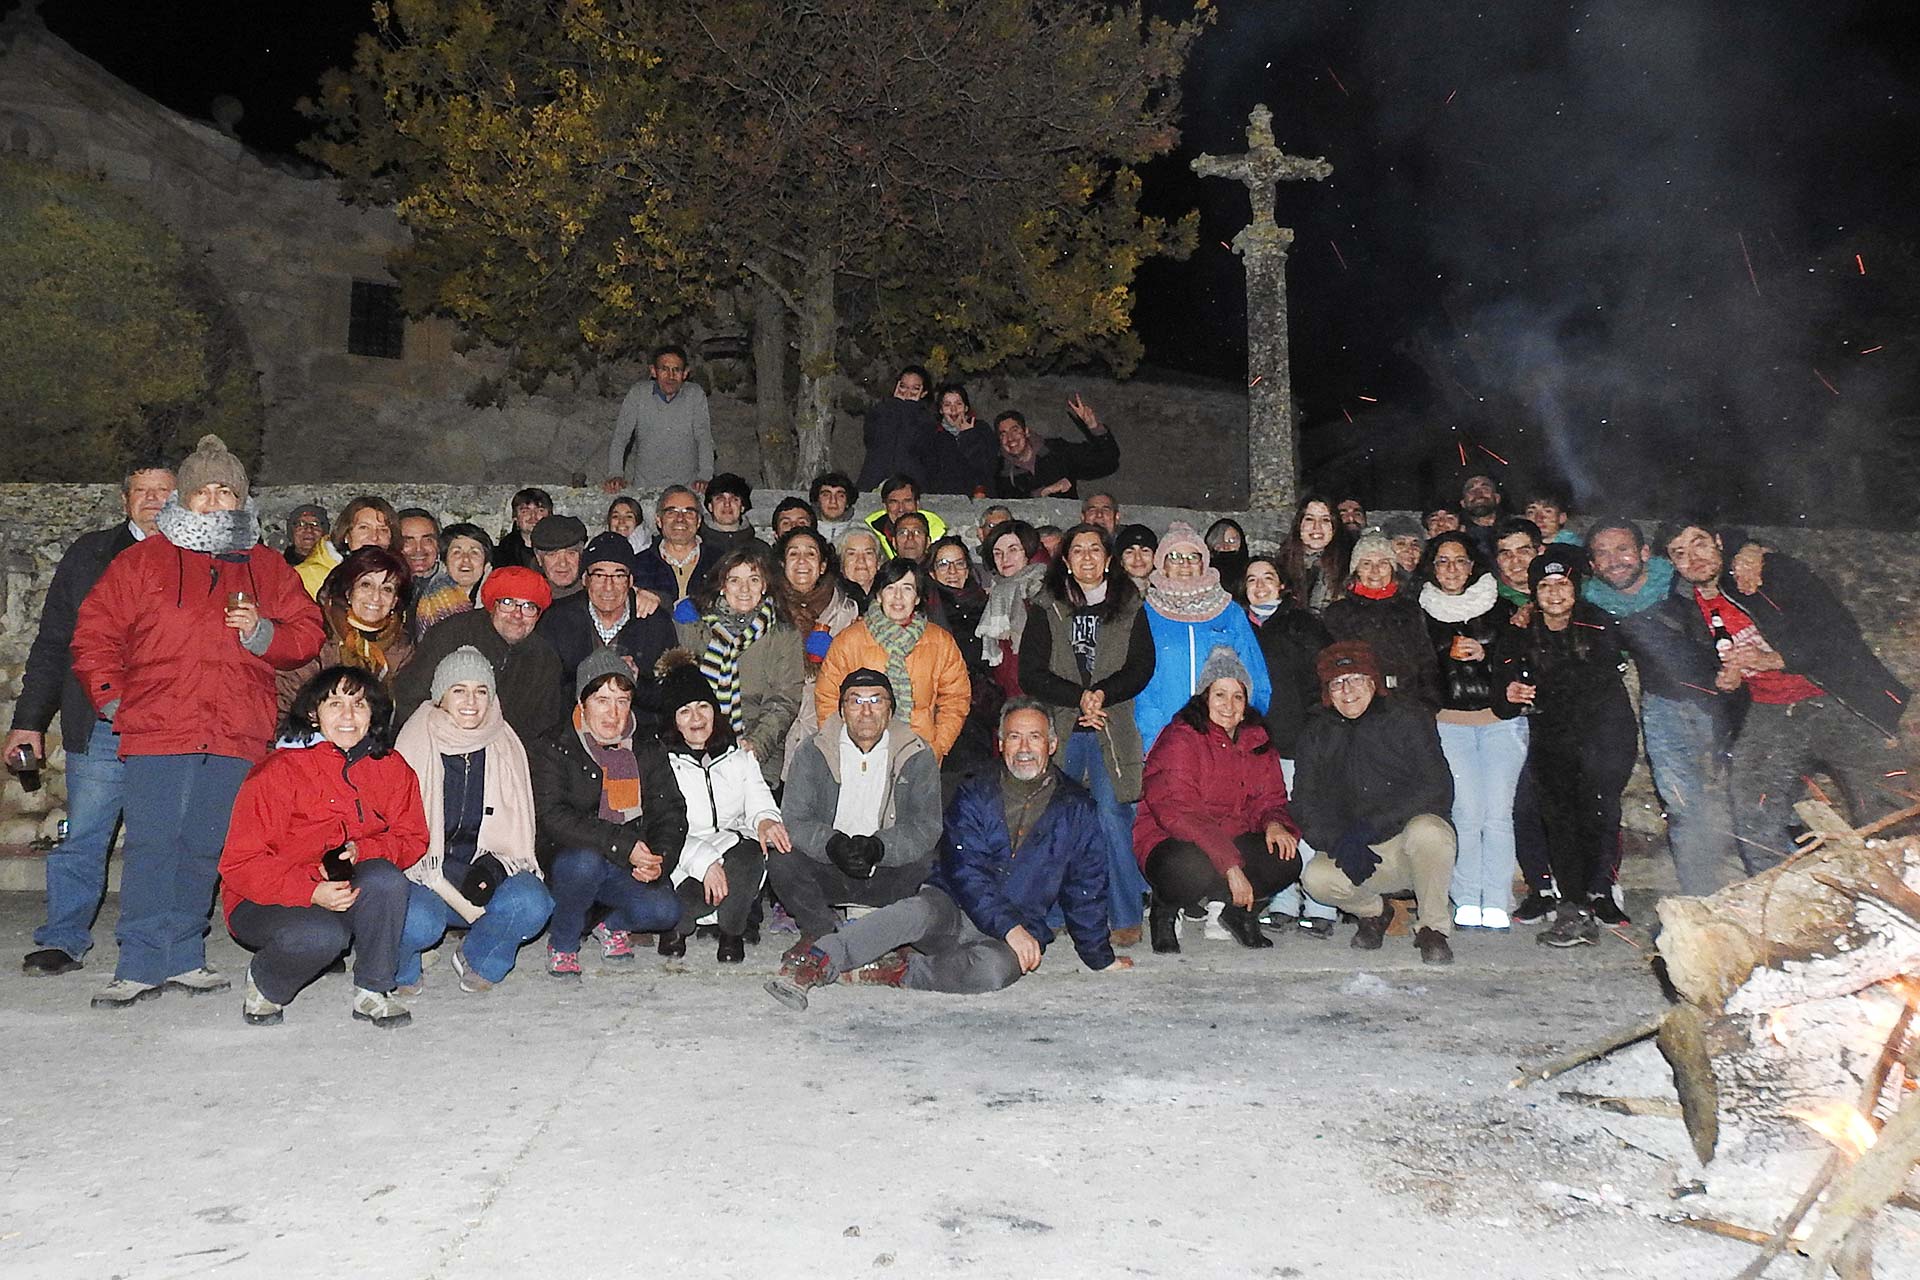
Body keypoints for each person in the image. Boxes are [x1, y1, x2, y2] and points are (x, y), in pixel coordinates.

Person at [71, 434, 325, 1008]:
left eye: (226, 491)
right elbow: (95, 634)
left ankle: (185, 953)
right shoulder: (143, 561)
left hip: (237, 727)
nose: (215, 502)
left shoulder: (266, 566)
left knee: (205, 845)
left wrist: (263, 632)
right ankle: (138, 961)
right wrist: (114, 700)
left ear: (242, 500)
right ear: (184, 499)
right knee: (153, 843)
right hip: (160, 726)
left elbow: (307, 635)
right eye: (203, 492)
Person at [767, 698, 1130, 1009]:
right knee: (914, 912)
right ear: (1000, 743)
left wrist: (1100, 957)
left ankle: (898, 970)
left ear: (1051, 744)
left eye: (1034, 737)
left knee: (994, 972)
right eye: (1014, 737)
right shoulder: (975, 791)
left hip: (1012, 930)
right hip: (955, 909)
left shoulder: (1077, 808)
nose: (1024, 748)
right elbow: (966, 872)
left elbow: (1086, 886)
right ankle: (818, 960)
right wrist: (1010, 926)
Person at [1661, 520, 1911, 877]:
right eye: (1679, 553)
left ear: (1718, 541)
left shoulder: (1767, 571)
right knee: (1753, 810)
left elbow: (1836, 630)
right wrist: (1726, 680)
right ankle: (1780, 896)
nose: (1693, 558)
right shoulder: (1688, 606)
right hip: (1771, 711)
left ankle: (1904, 888)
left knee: (1886, 805)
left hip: (1835, 699)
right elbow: (1709, 668)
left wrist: (1771, 659)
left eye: (1699, 543)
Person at [13, 456, 174, 977]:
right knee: (83, 835)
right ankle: (62, 937)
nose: (153, 500)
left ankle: (160, 942)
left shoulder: (198, 555)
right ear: (125, 499)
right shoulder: (89, 556)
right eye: (141, 491)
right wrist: (29, 720)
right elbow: (54, 642)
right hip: (100, 720)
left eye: (163, 491)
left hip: (174, 723)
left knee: (167, 838)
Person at [218, 666, 426, 1027]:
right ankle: (266, 983)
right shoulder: (278, 772)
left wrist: (366, 851)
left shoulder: (391, 768)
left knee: (386, 880)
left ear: (373, 713)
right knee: (320, 936)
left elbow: (413, 838)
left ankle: (374, 991)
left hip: (343, 886)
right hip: (265, 897)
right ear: (314, 714)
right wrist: (310, 891)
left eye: (359, 704)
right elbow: (241, 864)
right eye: (335, 704)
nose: (348, 716)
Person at [1582, 516, 1741, 895]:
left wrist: (1749, 547)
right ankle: (1700, 903)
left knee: (1751, 802)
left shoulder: (1679, 577)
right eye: (1602, 554)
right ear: (1591, 565)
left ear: (1644, 553)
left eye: (1622, 549)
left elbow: (1728, 549)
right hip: (1663, 707)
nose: (1614, 560)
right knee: (1684, 808)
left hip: (1727, 701)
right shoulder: (1593, 601)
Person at [1018, 524, 1155, 944]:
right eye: (1078, 551)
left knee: (1113, 814)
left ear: (1109, 559)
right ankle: (1053, 911)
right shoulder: (1047, 606)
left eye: (1095, 549)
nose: (1087, 557)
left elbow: (1140, 667)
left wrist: (1100, 697)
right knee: (1056, 818)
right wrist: (1080, 699)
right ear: (1066, 560)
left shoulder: (1130, 605)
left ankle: (1125, 913)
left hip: (1112, 725)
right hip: (1062, 725)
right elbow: (1031, 672)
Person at [1497, 546, 1637, 948]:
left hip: (1602, 735)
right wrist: (1510, 691)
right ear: (1534, 592)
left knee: (1598, 812)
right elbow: (1503, 693)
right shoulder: (1521, 631)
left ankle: (1599, 893)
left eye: (1563, 584)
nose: (1555, 593)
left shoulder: (1598, 625)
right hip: (1552, 737)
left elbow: (1593, 683)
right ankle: (1572, 906)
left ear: (1576, 587)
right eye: (1545, 586)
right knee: (1557, 820)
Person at [393, 647, 553, 992]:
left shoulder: (506, 744)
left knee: (533, 902)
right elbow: (396, 840)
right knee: (418, 922)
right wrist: (449, 896)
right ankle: (401, 965)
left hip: (479, 871)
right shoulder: (412, 743)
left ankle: (480, 955)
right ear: (441, 696)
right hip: (424, 876)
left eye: (481, 691)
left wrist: (493, 870)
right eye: (459, 690)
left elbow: (516, 839)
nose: (471, 701)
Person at [1294, 641, 1458, 965]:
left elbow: (1436, 787)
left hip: (1407, 845)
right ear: (1327, 691)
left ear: (1373, 682)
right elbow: (1304, 801)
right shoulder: (1316, 732)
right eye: (1337, 683)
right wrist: (1338, 841)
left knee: (1430, 831)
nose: (1347, 690)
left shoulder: (1407, 718)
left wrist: (1369, 827)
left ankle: (1433, 929)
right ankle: (1375, 913)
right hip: (1358, 852)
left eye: (1355, 679)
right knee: (1316, 878)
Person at [533, 650, 691, 977]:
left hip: (625, 861)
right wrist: (621, 844)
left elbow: (670, 810)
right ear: (582, 701)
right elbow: (552, 816)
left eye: (622, 701)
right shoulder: (555, 744)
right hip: (569, 861)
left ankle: (610, 924)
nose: (613, 712)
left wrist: (658, 859)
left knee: (666, 910)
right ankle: (563, 942)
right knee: (584, 862)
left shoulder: (646, 746)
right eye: (602, 700)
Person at [1136, 647, 1301, 952]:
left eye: (1237, 696)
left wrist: (1275, 823)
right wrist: (1231, 868)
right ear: (1204, 697)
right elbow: (1181, 813)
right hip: (1174, 839)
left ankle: (1240, 913)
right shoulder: (1181, 737)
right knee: (1188, 866)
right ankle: (1164, 911)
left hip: (1230, 837)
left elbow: (1270, 798)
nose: (1229, 705)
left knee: (1285, 856)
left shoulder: (1257, 739)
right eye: (1219, 694)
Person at [768, 669, 944, 946]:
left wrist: (880, 847)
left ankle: (888, 929)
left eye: (876, 700)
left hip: (887, 869)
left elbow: (926, 826)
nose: (866, 711)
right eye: (856, 701)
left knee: (932, 861)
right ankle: (821, 930)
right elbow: (796, 819)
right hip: (829, 866)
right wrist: (832, 844)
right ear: (842, 710)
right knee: (781, 858)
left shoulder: (917, 754)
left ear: (890, 709)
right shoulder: (813, 752)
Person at [1417, 531, 1527, 930]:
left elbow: (1523, 654)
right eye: (1443, 561)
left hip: (1500, 721)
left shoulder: (1499, 605)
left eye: (1460, 560)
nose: (1452, 569)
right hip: (1450, 722)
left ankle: (1497, 899)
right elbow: (1415, 666)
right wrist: (1441, 655)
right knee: (1465, 811)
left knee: (1497, 813)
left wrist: (1490, 653)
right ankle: (1466, 897)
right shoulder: (1421, 609)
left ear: (1473, 564)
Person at [1237, 554, 1337, 936]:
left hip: (1299, 739)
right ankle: (1282, 899)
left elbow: (1326, 678)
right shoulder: (1237, 626)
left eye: (1268, 577)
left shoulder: (1303, 624)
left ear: (1282, 585)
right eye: (1251, 579)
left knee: (1307, 821)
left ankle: (1319, 904)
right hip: (1256, 745)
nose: (1260, 585)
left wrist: (1317, 726)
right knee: (1271, 822)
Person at [656, 658, 781, 962]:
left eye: (703, 707)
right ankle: (679, 922)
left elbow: (759, 800)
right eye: (685, 711)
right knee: (682, 893)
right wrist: (705, 862)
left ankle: (731, 930)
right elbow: (663, 829)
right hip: (683, 855)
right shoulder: (661, 763)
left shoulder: (738, 756)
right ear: (673, 720)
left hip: (731, 849)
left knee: (753, 852)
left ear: (716, 711)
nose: (696, 718)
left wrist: (766, 821)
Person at [671, 544, 805, 790]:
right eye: (734, 580)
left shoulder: (784, 633)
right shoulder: (695, 626)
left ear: (765, 586)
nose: (744, 589)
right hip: (698, 745)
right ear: (722, 586)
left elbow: (784, 700)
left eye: (754, 580)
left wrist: (755, 745)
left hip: (759, 750)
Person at [1133, 522, 1270, 752]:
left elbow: (1255, 676)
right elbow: (1140, 685)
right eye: (1174, 556)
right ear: (1162, 564)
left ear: (1204, 562)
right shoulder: (1146, 614)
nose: (1185, 564)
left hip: (1223, 737)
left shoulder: (1230, 611)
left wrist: (1243, 730)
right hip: (1166, 738)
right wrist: (1154, 737)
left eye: (1193, 556)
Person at [817, 560, 972, 762]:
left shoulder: (940, 642)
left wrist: (938, 746)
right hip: (861, 754)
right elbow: (827, 698)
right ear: (879, 595)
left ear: (917, 598)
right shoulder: (849, 640)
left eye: (907, 589)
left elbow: (956, 698)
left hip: (920, 753)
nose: (898, 597)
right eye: (891, 588)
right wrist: (843, 748)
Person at [395, 566, 569, 744]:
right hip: (437, 743)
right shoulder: (452, 634)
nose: (517, 614)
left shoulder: (544, 659)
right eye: (508, 603)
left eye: (529, 607)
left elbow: (544, 726)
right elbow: (410, 697)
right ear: (492, 605)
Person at [535, 533, 676, 713]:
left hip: (639, 732)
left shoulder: (656, 624)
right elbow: (545, 691)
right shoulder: (557, 621)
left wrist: (635, 681)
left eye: (618, 576)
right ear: (585, 579)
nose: (608, 587)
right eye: (599, 575)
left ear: (631, 581)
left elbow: (671, 696)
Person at [275, 546, 416, 715]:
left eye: (387, 589)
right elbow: (285, 703)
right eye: (366, 585)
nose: (376, 597)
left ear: (395, 601)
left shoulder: (402, 648)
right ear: (349, 592)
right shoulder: (316, 635)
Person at [776, 527, 864, 780]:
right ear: (783, 564)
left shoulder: (848, 610)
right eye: (794, 554)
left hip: (828, 732)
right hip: (778, 735)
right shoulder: (767, 607)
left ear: (823, 565)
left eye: (810, 554)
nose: (802, 561)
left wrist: (835, 654)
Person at [1323, 526, 1441, 712]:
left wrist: (1429, 702)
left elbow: (1426, 660)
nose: (1375, 571)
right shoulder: (1338, 613)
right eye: (1367, 563)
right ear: (1356, 570)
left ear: (1393, 569)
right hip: (1362, 707)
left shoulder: (1409, 609)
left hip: (1410, 704)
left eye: (1383, 563)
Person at [925, 535, 1001, 778]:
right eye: (943, 564)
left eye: (959, 564)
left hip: (983, 707)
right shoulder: (925, 607)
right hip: (942, 706)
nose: (952, 571)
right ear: (932, 572)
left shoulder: (987, 604)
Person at [606, 343, 714, 493]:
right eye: (664, 369)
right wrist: (615, 474)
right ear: (653, 371)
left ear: (685, 373)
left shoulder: (695, 395)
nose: (671, 376)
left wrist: (705, 477)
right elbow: (621, 437)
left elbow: (704, 438)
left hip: (686, 489)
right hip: (645, 488)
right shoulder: (638, 394)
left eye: (676, 370)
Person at [990, 395, 1119, 499]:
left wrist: (1094, 427)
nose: (1010, 438)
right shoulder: (1001, 469)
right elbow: (1008, 504)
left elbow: (1107, 460)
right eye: (1003, 434)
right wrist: (1044, 492)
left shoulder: (1057, 451)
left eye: (1014, 430)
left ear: (1026, 431)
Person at [976, 519, 1048, 701]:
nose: (1005, 559)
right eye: (997, 553)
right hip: (1006, 693)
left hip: (1040, 693)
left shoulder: (1045, 590)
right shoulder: (996, 593)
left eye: (1013, 550)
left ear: (1029, 551)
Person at [295, 494, 397, 598]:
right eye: (364, 527)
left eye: (383, 530)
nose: (375, 537)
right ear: (346, 535)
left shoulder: (396, 578)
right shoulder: (303, 577)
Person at [857, 364, 935, 492]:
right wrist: (896, 405)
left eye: (915, 389)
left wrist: (910, 408)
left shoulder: (927, 420)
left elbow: (915, 444)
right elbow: (873, 439)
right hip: (874, 480)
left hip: (911, 483)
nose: (907, 393)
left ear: (924, 393)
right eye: (903, 386)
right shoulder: (881, 410)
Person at [634, 485, 717, 604]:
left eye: (688, 512)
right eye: (671, 512)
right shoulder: (638, 565)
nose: (680, 519)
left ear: (698, 521)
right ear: (658, 520)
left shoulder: (719, 562)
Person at [398, 508, 470, 639]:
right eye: (408, 541)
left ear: (438, 546)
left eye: (427, 540)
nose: (418, 549)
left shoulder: (450, 595)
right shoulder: (384, 587)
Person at [1275, 494, 1352, 615]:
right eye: (1310, 519)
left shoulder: (1350, 566)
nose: (1317, 527)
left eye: (1325, 520)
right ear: (1299, 525)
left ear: (1335, 527)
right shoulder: (1279, 567)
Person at [920, 382, 998, 495]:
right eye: (947, 405)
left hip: (980, 496)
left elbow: (989, 466)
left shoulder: (981, 429)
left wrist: (968, 435)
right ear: (941, 410)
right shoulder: (933, 435)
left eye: (958, 404)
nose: (953, 410)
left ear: (966, 408)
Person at [863, 474, 949, 553]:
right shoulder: (869, 531)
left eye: (907, 501)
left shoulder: (938, 533)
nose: (901, 509)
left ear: (917, 504)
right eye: (894, 502)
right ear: (885, 506)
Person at [530, 513, 589, 602]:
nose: (563, 563)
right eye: (552, 555)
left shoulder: (597, 597)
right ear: (539, 558)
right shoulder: (527, 599)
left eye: (571, 553)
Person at [438, 522, 493, 615]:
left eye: (474, 552)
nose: (466, 559)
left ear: (486, 565)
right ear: (444, 563)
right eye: (457, 552)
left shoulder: (498, 605)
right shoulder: (429, 604)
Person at [703, 472, 763, 553]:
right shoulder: (696, 546)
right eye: (720, 498)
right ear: (710, 506)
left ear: (742, 507)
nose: (727, 504)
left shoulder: (760, 550)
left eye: (734, 499)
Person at [1491, 516, 1544, 608]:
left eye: (1523, 552)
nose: (1515, 560)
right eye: (1506, 554)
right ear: (1497, 560)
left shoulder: (1566, 590)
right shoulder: (1488, 600)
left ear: (1540, 552)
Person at [495, 488, 551, 571]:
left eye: (540, 510)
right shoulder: (504, 552)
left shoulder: (560, 548)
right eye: (525, 511)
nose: (533, 516)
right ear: (515, 518)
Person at [1459, 472, 1505, 560]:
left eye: (1485, 488)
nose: (1478, 493)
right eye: (1470, 490)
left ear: (1497, 498)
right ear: (1463, 503)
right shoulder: (1460, 538)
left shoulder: (1518, 526)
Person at [837, 525, 886, 604]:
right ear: (841, 563)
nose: (861, 560)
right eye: (852, 554)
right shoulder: (830, 599)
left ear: (879, 562)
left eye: (868, 553)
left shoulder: (892, 596)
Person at [809, 471, 859, 544]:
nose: (833, 501)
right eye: (826, 495)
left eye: (840, 496)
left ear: (847, 502)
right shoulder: (806, 530)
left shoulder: (860, 532)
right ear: (817, 501)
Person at [1205, 518, 1250, 595]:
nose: (1226, 547)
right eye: (1219, 543)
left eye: (1232, 541)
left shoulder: (1250, 573)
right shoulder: (1203, 575)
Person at [282, 503, 327, 567]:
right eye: (301, 524)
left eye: (315, 524)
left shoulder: (335, 563)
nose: (309, 529)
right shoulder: (279, 567)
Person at [1114, 524, 1157, 592]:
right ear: (1121, 561)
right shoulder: (1110, 594)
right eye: (1129, 552)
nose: (1138, 558)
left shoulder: (1167, 593)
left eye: (1145, 551)